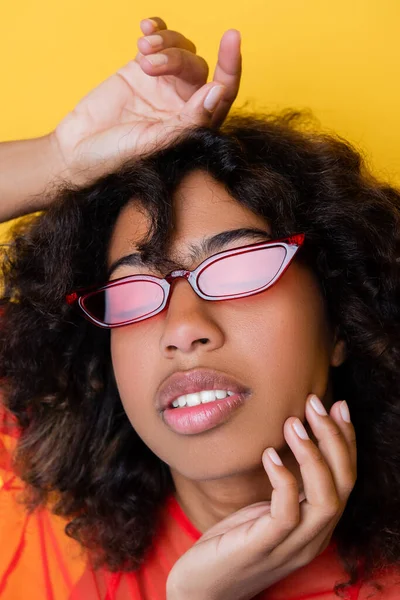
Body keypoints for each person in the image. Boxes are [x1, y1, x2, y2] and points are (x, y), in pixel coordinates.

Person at [0, 15, 399, 600]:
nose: (183, 329)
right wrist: (58, 158)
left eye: (237, 270)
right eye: (135, 289)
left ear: (341, 319)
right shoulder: (25, 470)